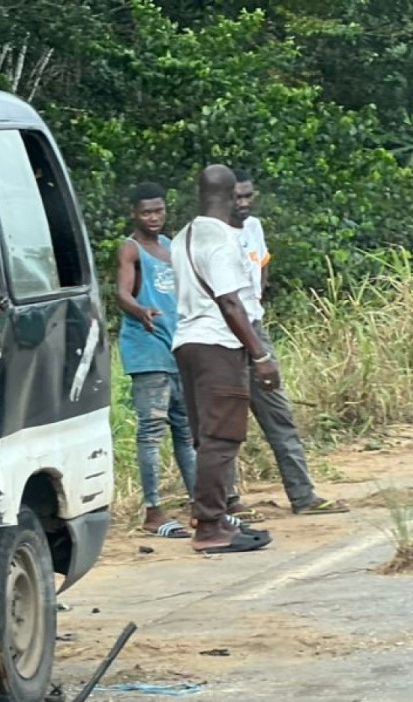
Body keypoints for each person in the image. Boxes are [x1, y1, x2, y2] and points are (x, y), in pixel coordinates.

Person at [226, 173, 348, 516]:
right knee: (226, 424)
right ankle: (228, 502)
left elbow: (262, 266)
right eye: (237, 197)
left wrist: (257, 301)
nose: (244, 202)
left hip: (254, 326)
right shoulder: (209, 235)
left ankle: (303, 495)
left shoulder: (254, 228)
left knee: (279, 415)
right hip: (220, 335)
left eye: (248, 195)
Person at [169, 165, 276, 554]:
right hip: (218, 344)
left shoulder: (183, 236)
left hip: (187, 343)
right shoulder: (221, 240)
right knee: (222, 438)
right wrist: (260, 355)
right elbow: (230, 302)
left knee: (206, 438)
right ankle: (211, 526)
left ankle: (211, 517)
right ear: (232, 196)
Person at [116, 183, 197, 537]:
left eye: (159, 211)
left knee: (186, 430)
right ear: (135, 213)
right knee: (151, 432)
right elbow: (121, 292)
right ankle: (153, 510)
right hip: (147, 351)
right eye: (147, 212)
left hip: (175, 347)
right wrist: (139, 309)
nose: (154, 217)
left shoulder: (169, 246)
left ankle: (200, 504)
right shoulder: (130, 249)